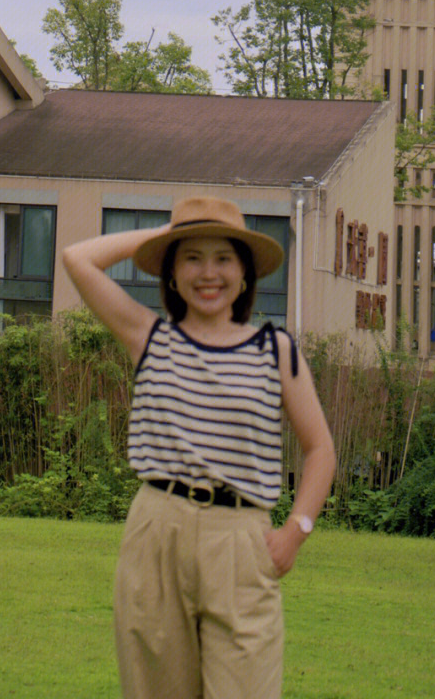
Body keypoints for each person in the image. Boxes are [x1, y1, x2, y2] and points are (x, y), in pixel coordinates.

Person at [62, 195, 336, 699]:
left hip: (241, 539)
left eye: (223, 258)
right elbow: (78, 258)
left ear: (246, 274)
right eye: (191, 258)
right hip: (156, 531)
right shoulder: (148, 337)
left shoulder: (276, 351)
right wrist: (166, 233)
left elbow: (320, 448)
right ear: (170, 274)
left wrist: (297, 530)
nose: (208, 273)